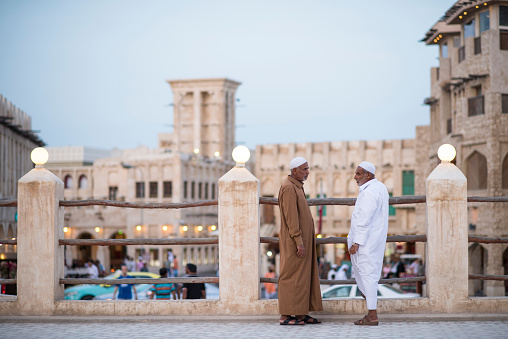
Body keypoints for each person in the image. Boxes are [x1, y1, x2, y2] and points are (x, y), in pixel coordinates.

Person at [277, 157, 323, 326]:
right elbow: (291, 218)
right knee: (291, 276)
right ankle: (285, 315)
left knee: (302, 277)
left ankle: (301, 314)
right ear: (294, 170)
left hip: (301, 241)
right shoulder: (289, 188)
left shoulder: (296, 187)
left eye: (307, 168)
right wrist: (299, 241)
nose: (307, 172)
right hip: (294, 243)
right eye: (304, 169)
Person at [347, 161, 389, 326]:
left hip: (366, 243)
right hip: (373, 241)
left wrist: (356, 243)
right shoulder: (380, 188)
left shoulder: (370, 192)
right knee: (367, 276)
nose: (355, 177)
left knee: (368, 276)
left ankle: (372, 315)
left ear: (368, 175)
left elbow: (364, 219)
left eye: (358, 174)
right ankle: (371, 312)